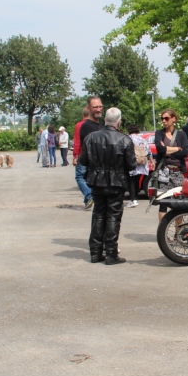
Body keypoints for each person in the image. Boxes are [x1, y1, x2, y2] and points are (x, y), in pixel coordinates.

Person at [78, 107, 136, 265]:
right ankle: (111, 254)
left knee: (98, 215)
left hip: (97, 181)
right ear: (119, 122)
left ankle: (95, 253)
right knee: (113, 217)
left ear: (105, 120)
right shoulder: (124, 139)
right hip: (116, 183)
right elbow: (132, 165)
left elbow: (83, 161)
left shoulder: (90, 138)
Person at [154, 109, 188, 220]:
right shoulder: (159, 133)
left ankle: (178, 230)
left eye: (166, 118)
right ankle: (163, 228)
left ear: (173, 119)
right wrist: (177, 148)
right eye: (162, 118)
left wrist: (167, 149)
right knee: (163, 203)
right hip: (164, 172)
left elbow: (185, 153)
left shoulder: (181, 134)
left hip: (178, 172)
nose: (164, 121)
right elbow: (160, 150)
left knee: (179, 204)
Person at [76, 97, 104, 209]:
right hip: (93, 166)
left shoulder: (102, 125)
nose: (98, 109)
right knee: (80, 177)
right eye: (95, 107)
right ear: (89, 108)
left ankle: (88, 198)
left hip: (102, 169)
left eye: (100, 106)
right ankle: (89, 196)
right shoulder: (87, 126)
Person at [127, 123, 152, 207]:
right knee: (137, 181)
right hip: (141, 163)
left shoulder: (128, 139)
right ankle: (136, 198)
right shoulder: (142, 139)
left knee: (131, 181)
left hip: (132, 163)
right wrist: (151, 161)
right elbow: (148, 151)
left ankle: (133, 200)